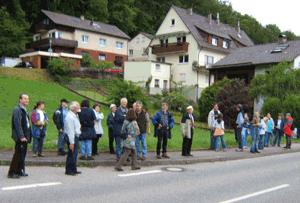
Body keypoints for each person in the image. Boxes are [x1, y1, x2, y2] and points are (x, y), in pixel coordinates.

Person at [8, 94, 31, 179]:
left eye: (27, 99)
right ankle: (12, 172)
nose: (27, 100)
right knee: (17, 154)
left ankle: (19, 171)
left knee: (22, 154)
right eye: (25, 99)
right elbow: (17, 124)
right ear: (20, 100)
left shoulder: (24, 109)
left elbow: (26, 123)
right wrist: (21, 136)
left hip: (25, 136)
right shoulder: (17, 109)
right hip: (20, 136)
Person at [64, 101, 81, 176]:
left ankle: (73, 169)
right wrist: (72, 142)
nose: (79, 108)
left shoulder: (74, 115)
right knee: (72, 154)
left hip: (75, 136)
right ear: (74, 108)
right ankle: (69, 170)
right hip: (72, 137)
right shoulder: (70, 117)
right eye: (78, 107)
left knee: (74, 154)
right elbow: (70, 131)